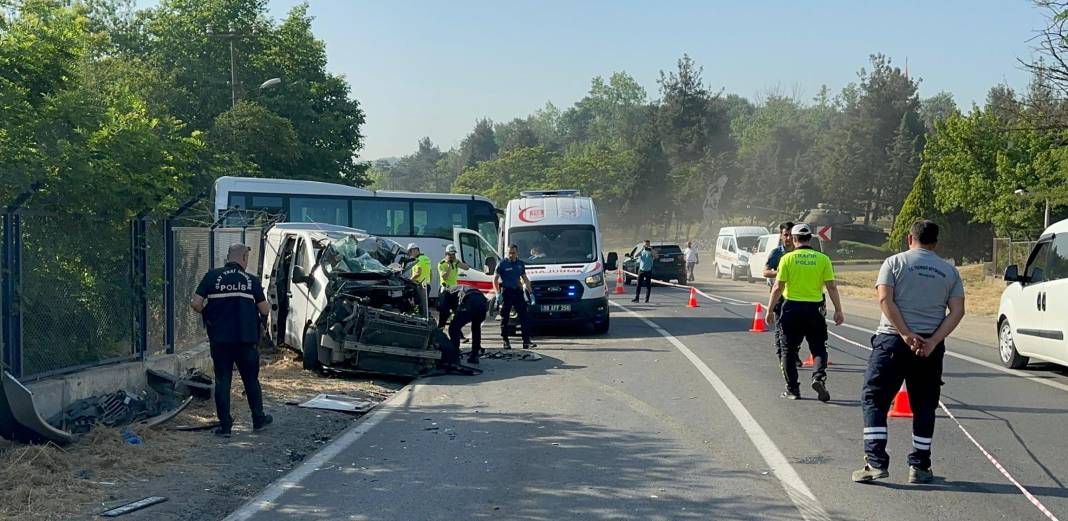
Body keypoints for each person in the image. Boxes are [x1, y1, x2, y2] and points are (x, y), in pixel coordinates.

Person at [852, 220, 965, 485]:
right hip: (928, 348)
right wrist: (934, 340)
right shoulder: (949, 271)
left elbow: (884, 300)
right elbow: (958, 311)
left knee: (875, 399)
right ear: (935, 243)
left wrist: (904, 332)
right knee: (924, 405)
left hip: (892, 342)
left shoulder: (893, 263)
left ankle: (876, 462)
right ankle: (920, 465)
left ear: (909, 238)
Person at [190, 244, 273, 438]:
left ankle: (225, 426)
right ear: (243, 258)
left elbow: (195, 303)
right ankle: (258, 419)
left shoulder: (212, 276)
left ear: (227, 258)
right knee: (251, 380)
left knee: (222, 380)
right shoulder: (251, 280)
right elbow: (265, 310)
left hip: (220, 340)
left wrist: (209, 312)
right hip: (246, 340)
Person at [765, 224, 843, 402]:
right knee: (818, 348)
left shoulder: (787, 258)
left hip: (791, 308)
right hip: (814, 309)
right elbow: (831, 286)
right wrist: (838, 310)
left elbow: (778, 287)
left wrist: (769, 310)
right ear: (810, 238)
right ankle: (818, 377)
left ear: (793, 239)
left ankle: (793, 389)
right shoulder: (823, 259)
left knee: (788, 351)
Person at [763, 222, 800, 367]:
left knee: (798, 330)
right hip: (779, 296)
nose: (789, 238)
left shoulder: (799, 253)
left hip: (796, 296)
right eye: (786, 235)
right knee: (781, 328)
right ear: (781, 235)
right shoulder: (776, 253)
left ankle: (793, 353)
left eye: (791, 235)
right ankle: (782, 357)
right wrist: (779, 273)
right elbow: (765, 271)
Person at [493, 244, 535, 349]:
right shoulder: (502, 264)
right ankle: (505, 340)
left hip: (518, 292)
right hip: (507, 292)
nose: (511, 255)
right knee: (505, 317)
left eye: (513, 253)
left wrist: (531, 293)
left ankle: (526, 341)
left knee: (524, 317)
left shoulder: (520, 264)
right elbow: (495, 279)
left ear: (517, 253)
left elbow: (525, 279)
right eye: (509, 253)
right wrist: (497, 293)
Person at [438, 284, 489, 364]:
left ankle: (454, 356)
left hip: (469, 300)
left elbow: (444, 311)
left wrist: (440, 327)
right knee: (476, 328)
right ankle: (475, 355)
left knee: (453, 328)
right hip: (482, 302)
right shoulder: (456, 290)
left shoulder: (445, 293)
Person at [436, 244, 470, 328]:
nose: (452, 256)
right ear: (446, 254)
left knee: (457, 312)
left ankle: (458, 333)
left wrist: (458, 262)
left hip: (454, 290)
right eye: (450, 254)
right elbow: (445, 277)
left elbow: (466, 268)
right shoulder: (442, 264)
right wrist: (449, 266)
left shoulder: (456, 262)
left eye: (454, 254)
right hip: (445, 291)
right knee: (444, 312)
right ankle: (440, 330)